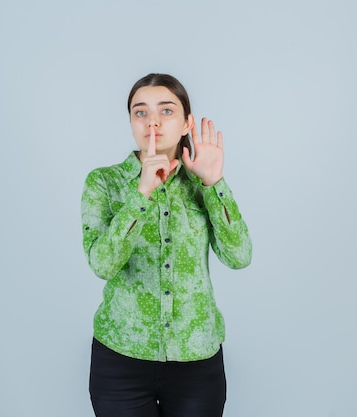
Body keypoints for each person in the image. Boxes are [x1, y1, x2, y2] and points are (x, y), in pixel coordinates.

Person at [81, 73, 252, 417]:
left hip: (196, 360)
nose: (153, 121)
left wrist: (213, 182)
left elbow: (239, 256)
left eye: (167, 110)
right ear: (131, 121)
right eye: (140, 112)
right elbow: (103, 265)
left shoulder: (201, 182)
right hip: (121, 358)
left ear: (187, 121)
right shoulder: (105, 182)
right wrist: (141, 194)